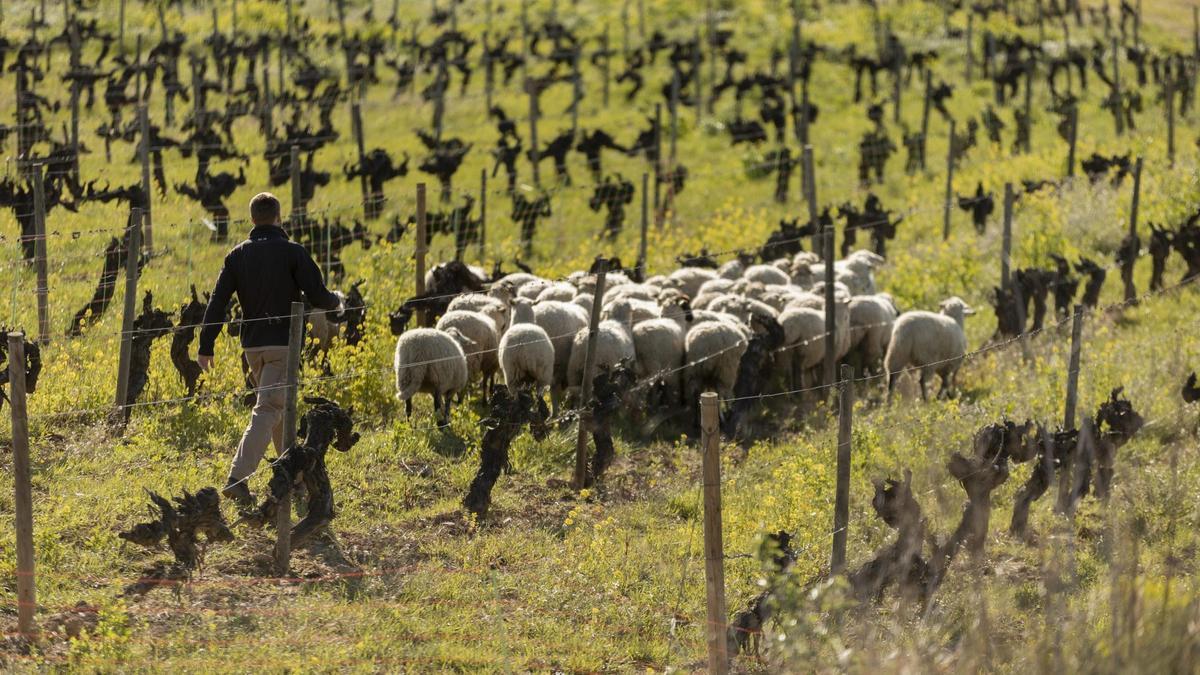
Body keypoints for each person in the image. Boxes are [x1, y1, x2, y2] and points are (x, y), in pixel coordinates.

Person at [197, 192, 342, 505]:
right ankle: (237, 478)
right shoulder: (293, 252)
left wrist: (205, 345)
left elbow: (217, 302)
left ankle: (294, 479)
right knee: (270, 410)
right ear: (279, 217)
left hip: (253, 347)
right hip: (283, 343)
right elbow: (317, 294)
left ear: (252, 220)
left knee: (278, 408)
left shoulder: (236, 256)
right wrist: (337, 303)